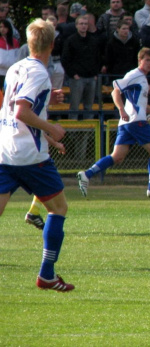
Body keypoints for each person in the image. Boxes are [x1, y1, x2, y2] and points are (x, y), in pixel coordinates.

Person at [0, 18, 74, 292]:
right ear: (52, 45)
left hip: (4, 150)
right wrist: (52, 129)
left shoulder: (15, 68)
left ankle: (47, 275)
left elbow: (14, 109)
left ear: (29, 43)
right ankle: (47, 274)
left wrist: (47, 128)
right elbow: (22, 111)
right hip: (28, 155)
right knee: (58, 209)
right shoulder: (41, 73)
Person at [77, 48, 150, 199]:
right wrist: (121, 109)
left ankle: (87, 174)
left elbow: (136, 101)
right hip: (136, 121)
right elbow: (115, 91)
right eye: (147, 60)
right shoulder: (135, 75)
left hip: (128, 122)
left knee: (117, 156)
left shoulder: (142, 78)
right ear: (140, 60)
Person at [61, 14, 101, 120]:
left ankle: (89, 135)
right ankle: (73, 134)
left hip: (92, 77)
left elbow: (98, 57)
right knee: (74, 106)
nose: (83, 26)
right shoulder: (70, 40)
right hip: (77, 78)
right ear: (76, 25)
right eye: (81, 24)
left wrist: (96, 73)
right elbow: (65, 59)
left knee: (89, 107)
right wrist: (73, 74)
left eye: (85, 24)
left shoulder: (94, 40)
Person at [0, 19, 19, 87]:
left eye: (5, 27)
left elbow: (17, 56)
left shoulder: (15, 42)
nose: (2, 29)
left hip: (11, 72)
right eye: (1, 27)